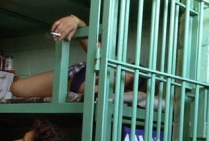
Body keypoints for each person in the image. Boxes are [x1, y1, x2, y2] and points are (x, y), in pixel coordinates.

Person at [10, 15, 145, 97]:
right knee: (16, 87)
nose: (120, 71)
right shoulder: (114, 63)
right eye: (129, 69)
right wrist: (75, 20)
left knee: (16, 88)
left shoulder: (103, 91)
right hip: (78, 71)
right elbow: (87, 36)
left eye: (127, 76)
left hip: (71, 83)